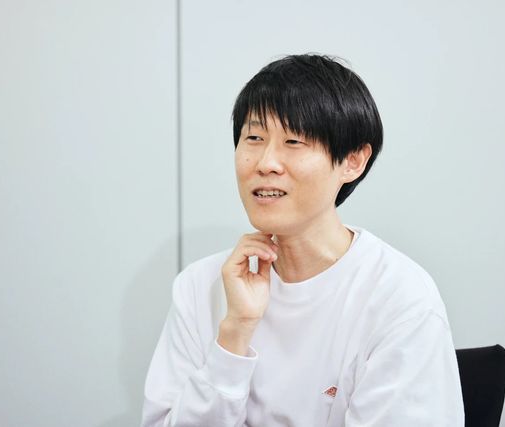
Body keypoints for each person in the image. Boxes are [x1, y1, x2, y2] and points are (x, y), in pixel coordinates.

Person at [141, 54, 464, 426]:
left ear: (353, 160)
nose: (266, 163)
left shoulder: (399, 297)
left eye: (293, 141)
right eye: (254, 138)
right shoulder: (201, 286)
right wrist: (235, 333)